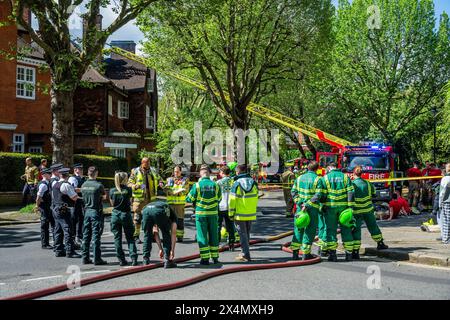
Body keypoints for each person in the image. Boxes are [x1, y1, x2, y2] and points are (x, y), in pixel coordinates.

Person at [186, 164, 221, 265]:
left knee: (202, 236)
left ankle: (205, 259)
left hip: (201, 214)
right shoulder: (216, 185)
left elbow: (189, 199)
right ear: (209, 173)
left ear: (200, 174)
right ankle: (215, 257)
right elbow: (219, 199)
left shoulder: (196, 185)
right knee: (214, 235)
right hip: (213, 214)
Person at [290, 161, 326, 260]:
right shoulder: (318, 179)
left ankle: (295, 253)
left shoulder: (299, 178)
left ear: (307, 168)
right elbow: (318, 195)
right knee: (310, 230)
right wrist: (307, 205)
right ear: (317, 169)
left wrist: (300, 204)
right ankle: (306, 254)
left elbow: (293, 192)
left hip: (300, 209)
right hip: (312, 209)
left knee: (298, 228)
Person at [351, 166, 388, 259]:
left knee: (356, 230)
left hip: (356, 211)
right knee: (373, 226)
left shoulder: (352, 184)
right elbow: (374, 194)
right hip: (368, 210)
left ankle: (355, 251)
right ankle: (380, 243)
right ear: (361, 173)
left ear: (353, 173)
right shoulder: (367, 183)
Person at [322, 162, 355, 262]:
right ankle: (349, 254)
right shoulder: (345, 177)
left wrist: (322, 206)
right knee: (346, 229)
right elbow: (351, 192)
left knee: (331, 230)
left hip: (330, 208)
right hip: (344, 208)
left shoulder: (325, 178)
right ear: (337, 167)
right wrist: (350, 207)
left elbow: (322, 195)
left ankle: (333, 254)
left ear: (329, 167)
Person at [229, 164, 259, 262]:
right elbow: (256, 196)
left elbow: (232, 200)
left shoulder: (236, 183)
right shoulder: (253, 182)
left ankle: (246, 255)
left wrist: (230, 213)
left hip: (239, 213)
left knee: (242, 234)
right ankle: (244, 252)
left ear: (237, 172)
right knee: (246, 233)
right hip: (250, 212)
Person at [109, 172, 138, 266]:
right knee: (130, 238)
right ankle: (133, 258)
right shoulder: (128, 190)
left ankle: (121, 260)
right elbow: (130, 201)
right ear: (125, 179)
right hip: (126, 215)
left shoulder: (112, 190)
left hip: (115, 215)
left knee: (117, 238)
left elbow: (112, 204)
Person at [128, 157, 159, 244]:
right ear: (142, 163)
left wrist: (161, 183)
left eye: (149, 163)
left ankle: (153, 236)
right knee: (137, 218)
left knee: (152, 218)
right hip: (139, 199)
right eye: (146, 163)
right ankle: (136, 236)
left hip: (151, 199)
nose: (148, 165)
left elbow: (159, 179)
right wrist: (136, 186)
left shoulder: (153, 170)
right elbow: (129, 183)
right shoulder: (135, 171)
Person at [51, 167, 81, 258]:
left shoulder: (55, 184)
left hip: (55, 208)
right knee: (68, 230)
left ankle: (58, 250)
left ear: (60, 175)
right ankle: (70, 251)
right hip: (64, 209)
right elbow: (74, 197)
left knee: (58, 230)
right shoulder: (66, 185)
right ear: (67, 175)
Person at [80, 166, 107, 265]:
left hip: (87, 211)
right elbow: (104, 196)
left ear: (88, 173)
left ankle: (85, 257)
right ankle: (97, 258)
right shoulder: (99, 185)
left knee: (86, 235)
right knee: (96, 235)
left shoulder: (83, 185)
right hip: (96, 211)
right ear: (96, 173)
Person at [141, 199, 178, 268]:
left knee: (147, 235)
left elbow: (155, 231)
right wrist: (172, 251)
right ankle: (167, 260)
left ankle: (145, 259)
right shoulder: (173, 216)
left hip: (146, 210)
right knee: (166, 233)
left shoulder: (163, 209)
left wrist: (161, 249)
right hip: (157, 210)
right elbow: (173, 233)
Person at [165, 166, 189, 242]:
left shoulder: (185, 180)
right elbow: (166, 190)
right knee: (169, 220)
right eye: (175, 171)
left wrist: (179, 192)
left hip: (180, 204)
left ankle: (180, 236)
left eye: (178, 171)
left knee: (180, 220)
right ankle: (169, 236)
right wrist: (167, 189)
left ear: (181, 172)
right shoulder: (169, 179)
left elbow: (186, 190)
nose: (176, 173)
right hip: (171, 203)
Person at [216, 166, 236, 250]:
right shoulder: (234, 182)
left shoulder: (218, 182)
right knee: (230, 226)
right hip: (230, 207)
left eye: (220, 172)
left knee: (218, 225)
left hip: (220, 207)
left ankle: (217, 243)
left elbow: (216, 195)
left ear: (222, 173)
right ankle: (231, 244)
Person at [35, 168, 55, 249]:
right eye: (48, 173)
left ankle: (54, 242)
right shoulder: (43, 184)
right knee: (45, 226)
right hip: (44, 208)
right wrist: (37, 206)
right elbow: (38, 197)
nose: (50, 174)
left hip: (48, 207)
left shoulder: (48, 183)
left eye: (50, 173)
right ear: (43, 175)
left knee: (53, 224)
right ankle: (45, 244)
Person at [68, 163, 86, 247]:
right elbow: (74, 189)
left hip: (82, 201)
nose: (82, 170)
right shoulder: (72, 178)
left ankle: (79, 236)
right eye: (80, 169)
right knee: (74, 219)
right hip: (75, 202)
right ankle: (73, 237)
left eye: (82, 169)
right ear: (75, 170)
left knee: (81, 219)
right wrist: (86, 189)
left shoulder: (83, 178)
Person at [438, 163, 450, 244]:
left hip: (447, 202)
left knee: (446, 221)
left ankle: (446, 239)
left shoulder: (445, 178)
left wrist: (439, 204)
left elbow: (442, 192)